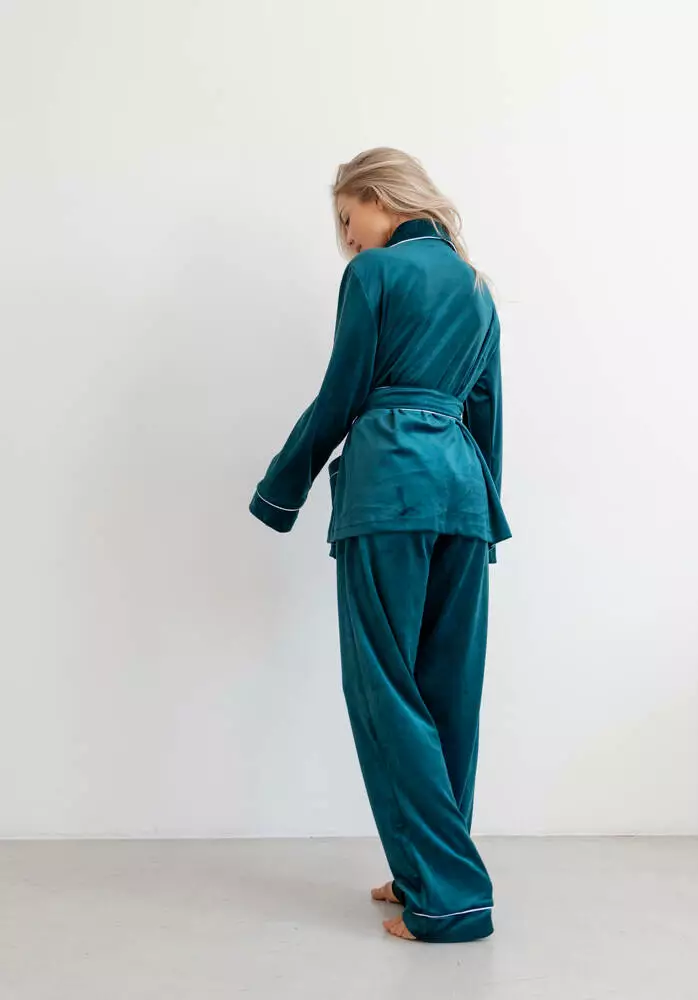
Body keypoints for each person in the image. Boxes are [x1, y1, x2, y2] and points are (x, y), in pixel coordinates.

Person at [249, 147, 511, 943]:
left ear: (379, 195)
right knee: (447, 693)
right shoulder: (476, 286)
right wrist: (486, 512)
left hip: (390, 485)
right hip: (461, 495)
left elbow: (343, 394)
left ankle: (449, 899)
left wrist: (280, 489)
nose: (346, 237)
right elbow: (487, 410)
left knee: (385, 689)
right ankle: (424, 871)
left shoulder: (375, 274)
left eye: (347, 216)